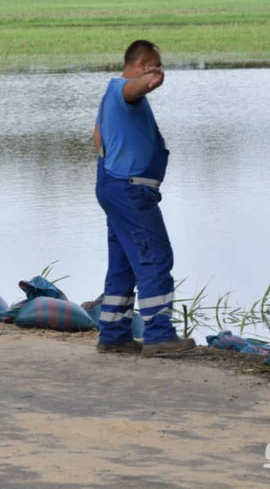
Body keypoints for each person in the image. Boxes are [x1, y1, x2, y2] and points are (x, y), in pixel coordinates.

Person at [93, 40, 195, 355]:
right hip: (131, 190)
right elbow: (134, 89)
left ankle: (113, 333)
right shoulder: (123, 91)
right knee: (154, 256)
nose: (159, 69)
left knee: (123, 262)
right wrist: (149, 81)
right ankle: (159, 335)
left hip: (115, 186)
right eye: (155, 64)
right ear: (142, 63)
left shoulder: (109, 98)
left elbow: (97, 136)